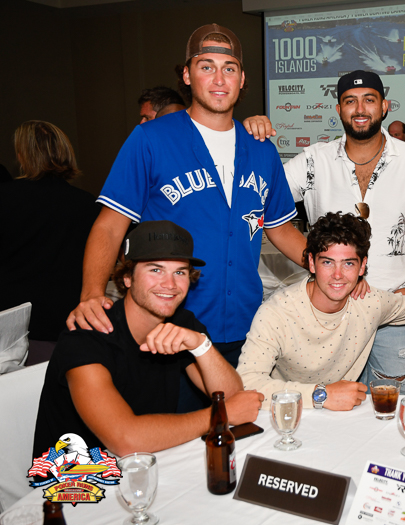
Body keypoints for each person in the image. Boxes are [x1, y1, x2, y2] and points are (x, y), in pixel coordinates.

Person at [67, 23, 307, 412]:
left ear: (242, 79)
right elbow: (110, 225)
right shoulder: (151, 139)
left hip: (247, 329)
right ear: (186, 74)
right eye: (206, 66)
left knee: (244, 428)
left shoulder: (262, 150)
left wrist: (328, 266)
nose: (219, 79)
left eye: (229, 68)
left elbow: (281, 228)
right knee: (175, 435)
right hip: (169, 331)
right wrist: (91, 292)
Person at [244, 70, 405, 395]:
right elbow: (264, 199)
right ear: (339, 109)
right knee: (331, 408)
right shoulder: (314, 160)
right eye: (350, 101)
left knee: (391, 410)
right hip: (331, 316)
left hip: (394, 315)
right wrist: (248, 139)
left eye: (369, 99)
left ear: (384, 106)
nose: (360, 108)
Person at [33, 221, 263, 458]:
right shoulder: (86, 336)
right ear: (127, 277)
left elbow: (232, 397)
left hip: (149, 461)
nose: (170, 284)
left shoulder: (182, 323)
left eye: (180, 272)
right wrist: (218, 416)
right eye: (155, 270)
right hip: (77, 475)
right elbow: (125, 440)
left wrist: (200, 345)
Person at [237, 212, 405, 410]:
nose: (338, 275)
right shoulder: (277, 313)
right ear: (312, 263)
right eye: (327, 262)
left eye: (348, 263)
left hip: (342, 418)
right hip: (290, 415)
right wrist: (322, 395)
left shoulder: (368, 302)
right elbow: (246, 384)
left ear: (362, 267)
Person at [0, 121, 100, 365]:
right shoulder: (88, 204)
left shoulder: (6, 197)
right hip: (68, 323)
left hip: (14, 329)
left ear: (22, 155)